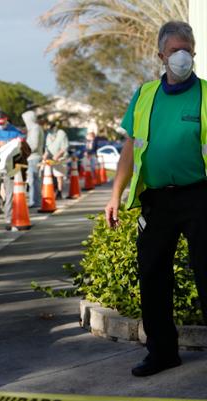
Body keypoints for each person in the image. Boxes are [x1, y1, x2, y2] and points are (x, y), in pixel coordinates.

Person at [105, 21, 207, 377]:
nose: (182, 56)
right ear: (161, 55)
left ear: (193, 52)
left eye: (187, 50)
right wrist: (115, 195)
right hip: (157, 201)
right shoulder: (145, 94)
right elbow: (130, 149)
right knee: (153, 275)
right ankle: (162, 352)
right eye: (175, 50)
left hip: (200, 197)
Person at [0, 110, 24, 217]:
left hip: (9, 165)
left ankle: (8, 214)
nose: (2, 125)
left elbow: (22, 139)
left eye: (4, 122)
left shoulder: (13, 129)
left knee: (9, 190)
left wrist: (11, 142)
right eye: (0, 123)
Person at [21, 109, 44, 208]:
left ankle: (35, 201)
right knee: (34, 180)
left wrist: (22, 148)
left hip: (34, 158)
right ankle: (34, 200)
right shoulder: (35, 128)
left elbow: (33, 145)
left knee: (33, 180)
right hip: (33, 157)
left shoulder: (35, 129)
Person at [43, 122, 69, 198]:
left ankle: (60, 192)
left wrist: (56, 156)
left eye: (50, 129)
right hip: (51, 158)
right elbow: (47, 148)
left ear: (54, 128)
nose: (49, 131)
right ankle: (52, 190)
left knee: (59, 175)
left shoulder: (61, 133)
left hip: (60, 158)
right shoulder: (48, 135)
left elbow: (64, 147)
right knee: (49, 175)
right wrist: (45, 156)